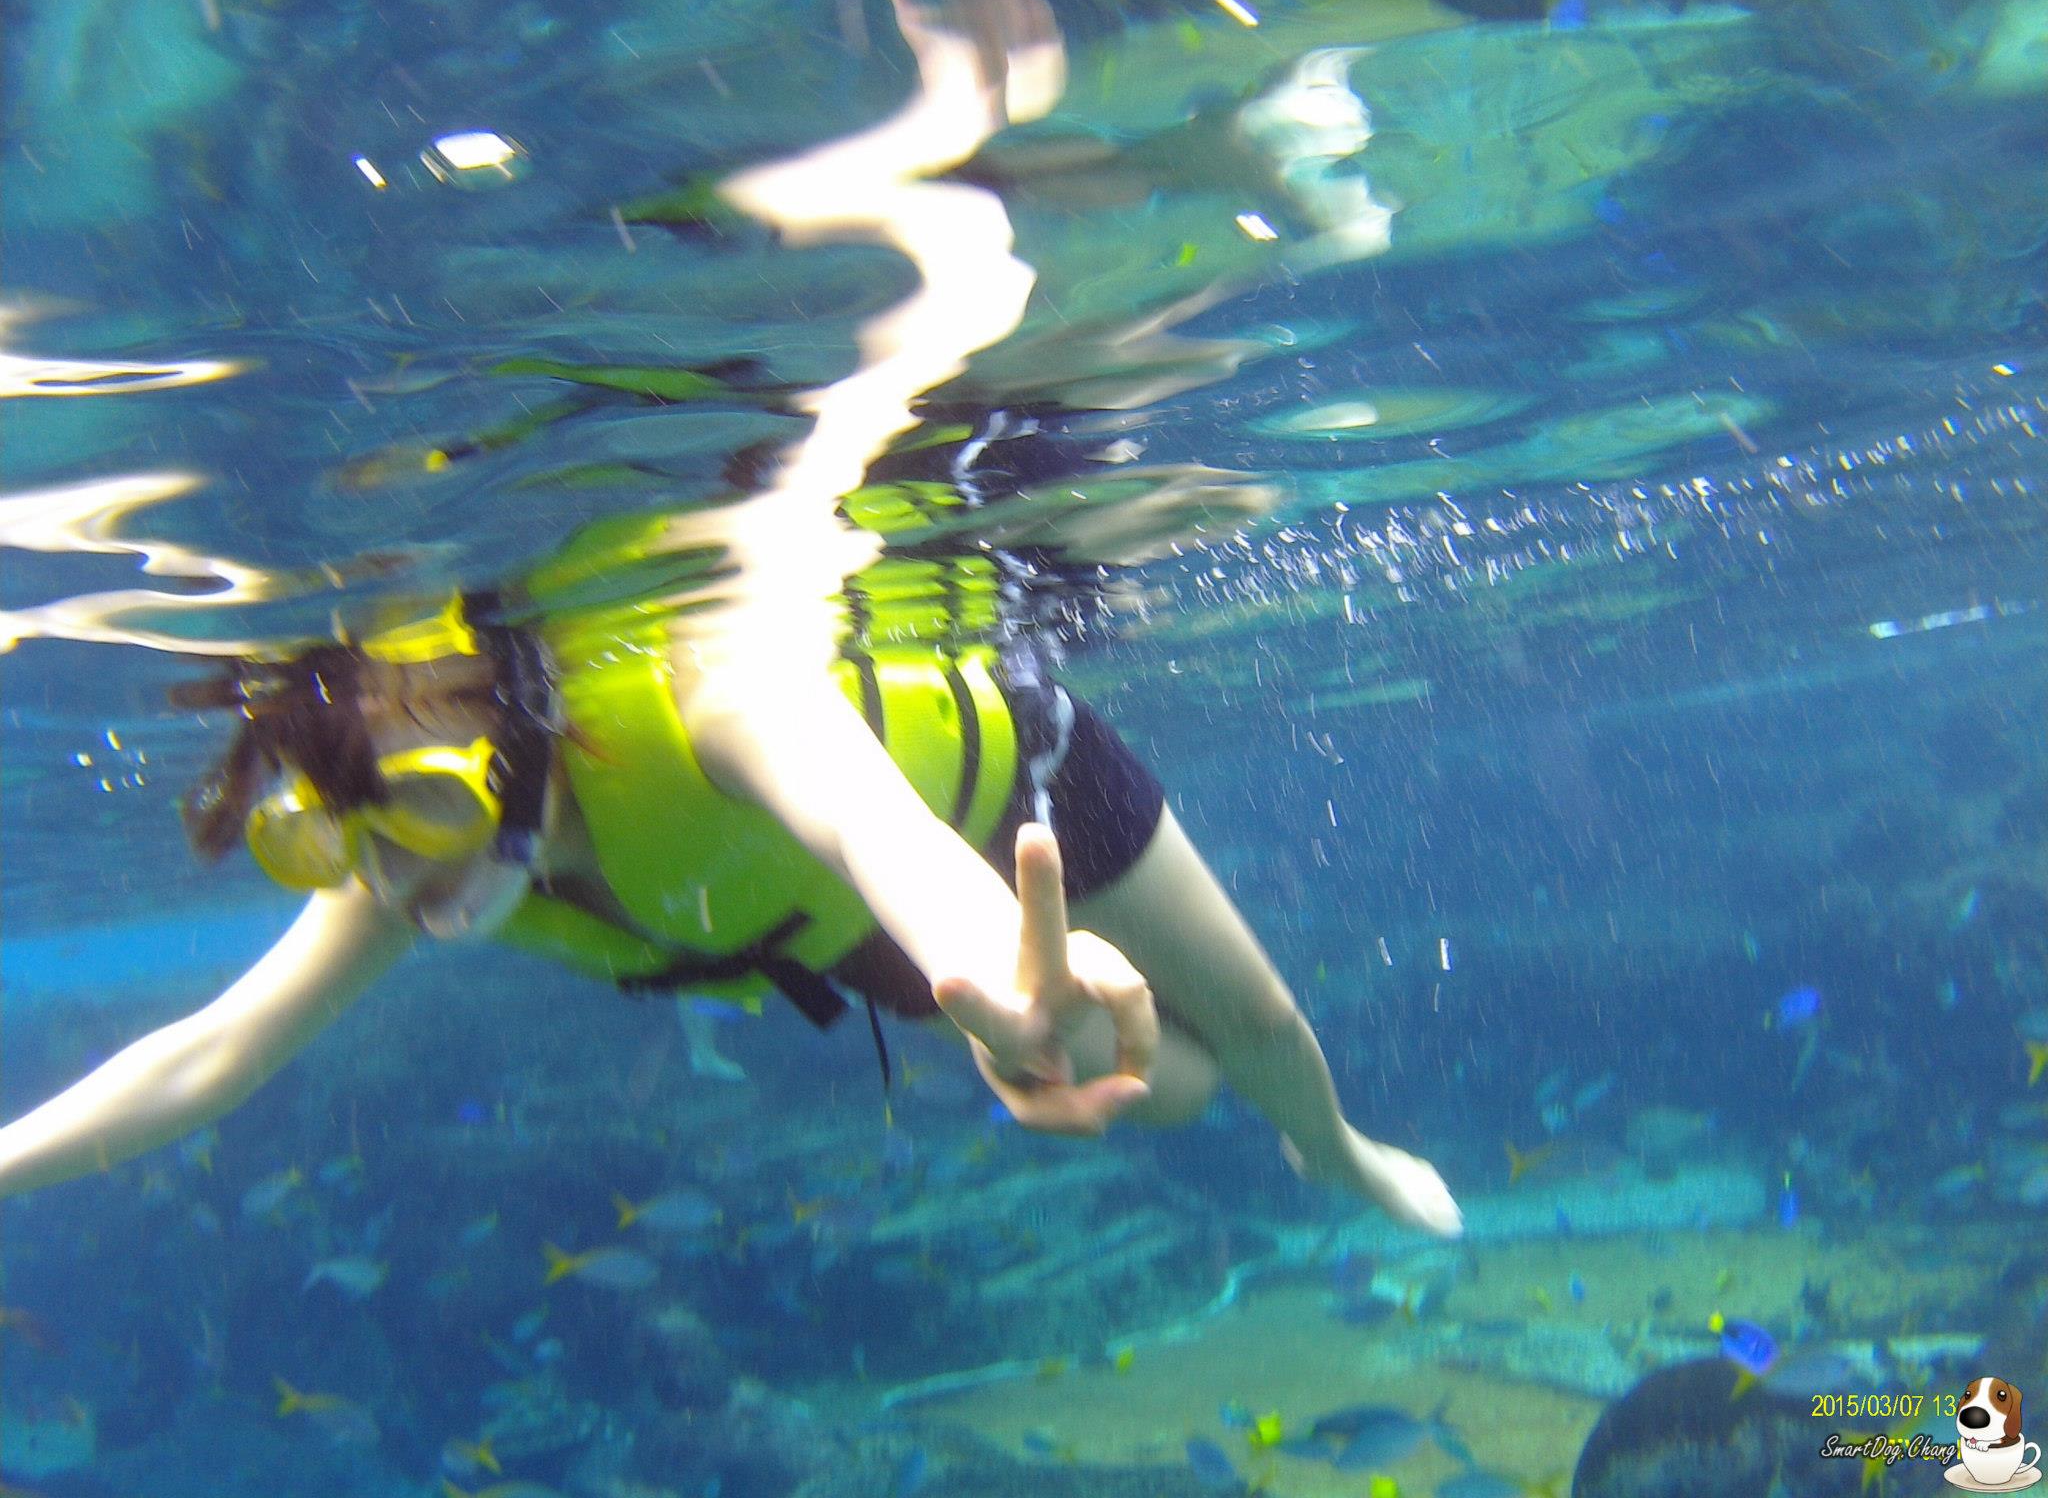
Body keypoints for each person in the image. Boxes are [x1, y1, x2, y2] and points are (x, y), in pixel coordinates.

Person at [0, 502, 1462, 1237]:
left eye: (422, 814)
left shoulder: (710, 694)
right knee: (1157, 1083)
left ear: (512, 729)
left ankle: (1339, 1151)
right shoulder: (400, 865)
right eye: (332, 839)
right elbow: (210, 1054)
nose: (394, 880)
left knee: (1257, 1026)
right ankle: (1138, 1053)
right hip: (876, 938)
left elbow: (872, 826)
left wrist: (1000, 951)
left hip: (1010, 800)